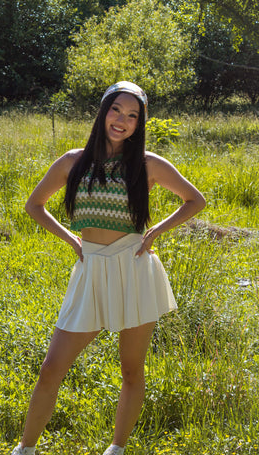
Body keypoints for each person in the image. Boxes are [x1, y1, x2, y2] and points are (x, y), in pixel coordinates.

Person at [11, 81, 206, 455]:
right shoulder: (72, 161)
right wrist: (71, 240)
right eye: (117, 110)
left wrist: (155, 234)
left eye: (133, 116)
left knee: (131, 370)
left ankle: (116, 449)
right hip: (91, 270)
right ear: (103, 111)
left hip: (134, 268)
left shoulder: (148, 164)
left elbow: (194, 200)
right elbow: (34, 205)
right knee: (51, 368)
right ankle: (25, 449)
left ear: (139, 124)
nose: (123, 120)